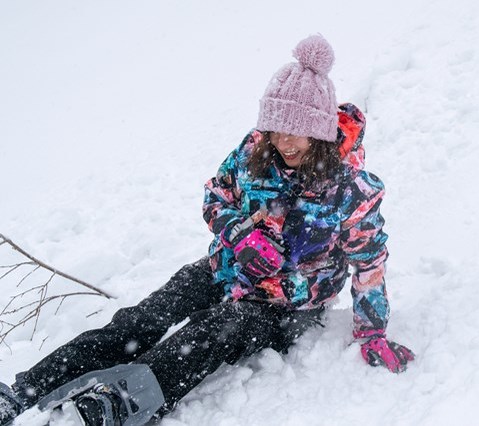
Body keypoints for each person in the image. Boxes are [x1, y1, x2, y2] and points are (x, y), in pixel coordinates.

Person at [0, 34, 414, 426]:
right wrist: (240, 234)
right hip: (227, 266)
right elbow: (216, 197)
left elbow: (369, 265)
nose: (284, 141)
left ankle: (114, 406)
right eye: (276, 129)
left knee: (209, 333)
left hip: (286, 305)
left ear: (319, 132)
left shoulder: (351, 191)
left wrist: (372, 332)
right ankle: (24, 392)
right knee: (141, 320)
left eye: (297, 132)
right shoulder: (254, 151)